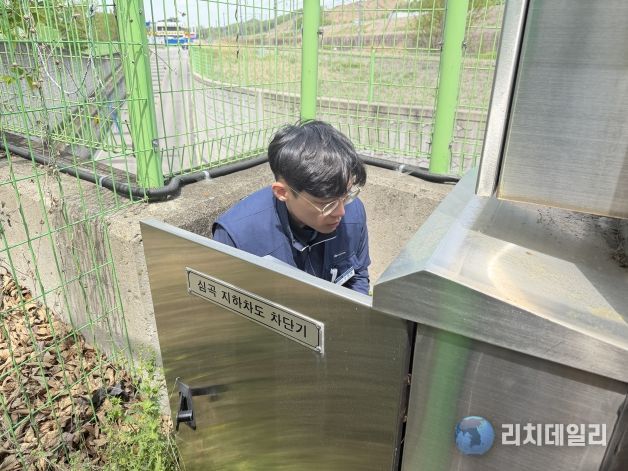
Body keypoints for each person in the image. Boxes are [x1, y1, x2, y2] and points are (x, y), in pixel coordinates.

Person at [212, 120, 371, 294]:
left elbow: (358, 276)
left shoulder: (353, 212)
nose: (341, 212)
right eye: (326, 203)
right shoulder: (238, 237)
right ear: (282, 192)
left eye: (346, 194)